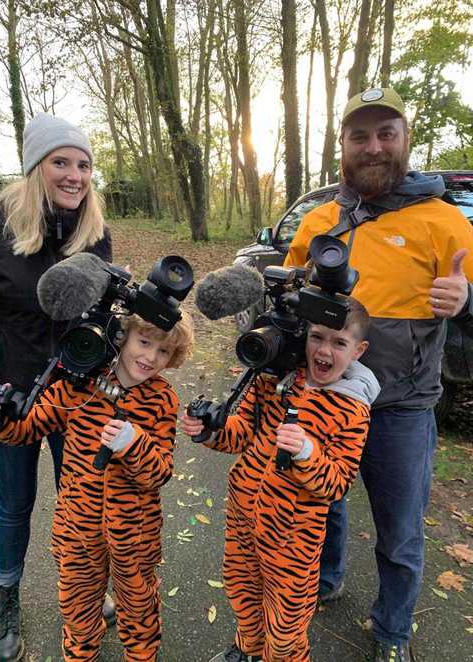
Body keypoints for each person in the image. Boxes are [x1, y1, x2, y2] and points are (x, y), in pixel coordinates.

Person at [284, 87, 473, 662]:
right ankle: (324, 581)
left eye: (385, 133)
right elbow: (286, 293)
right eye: (359, 136)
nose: (373, 146)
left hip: (401, 407)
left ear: (405, 140)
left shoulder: (443, 221)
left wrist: (467, 295)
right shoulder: (320, 220)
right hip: (325, 399)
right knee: (322, 503)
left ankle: (392, 630)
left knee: (400, 529)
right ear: (342, 144)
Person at [0, 311, 195, 661]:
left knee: (139, 611)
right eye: (144, 342)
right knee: (78, 607)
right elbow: (28, 429)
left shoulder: (162, 400)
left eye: (164, 352)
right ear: (121, 337)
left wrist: (134, 445)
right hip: (78, 528)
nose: (151, 357)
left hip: (135, 534)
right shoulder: (78, 386)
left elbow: (161, 472)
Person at [0, 113, 112, 661]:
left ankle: (82, 592)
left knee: (80, 500)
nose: (75, 175)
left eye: (83, 164)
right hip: (6, 398)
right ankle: (8, 598)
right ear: (37, 168)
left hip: (74, 399)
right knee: (16, 502)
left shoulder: (94, 235)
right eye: (61, 161)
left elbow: (105, 321)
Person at [182, 298, 380, 662]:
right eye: (317, 337)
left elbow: (337, 483)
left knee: (286, 626)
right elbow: (240, 434)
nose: (324, 350)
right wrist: (210, 430)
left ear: (358, 351)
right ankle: (246, 649)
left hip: (293, 541)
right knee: (243, 594)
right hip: (243, 520)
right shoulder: (277, 380)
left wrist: (307, 453)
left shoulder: (352, 411)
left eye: (339, 343)